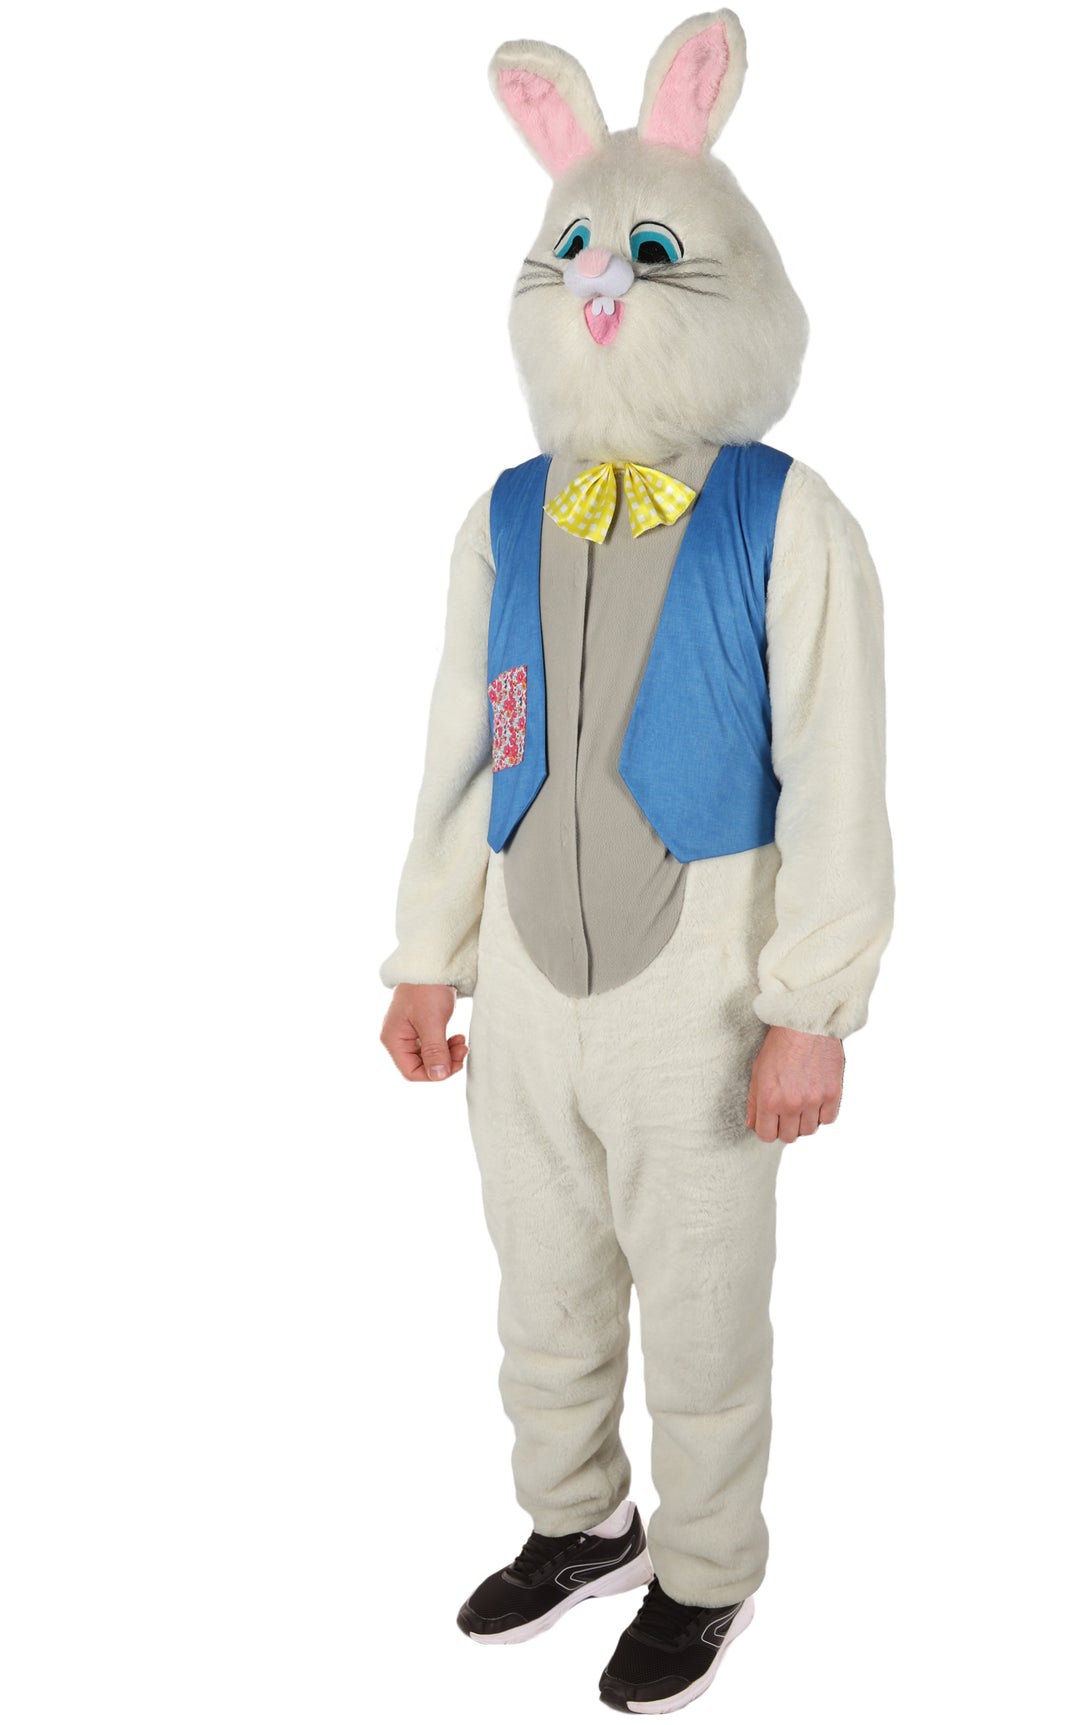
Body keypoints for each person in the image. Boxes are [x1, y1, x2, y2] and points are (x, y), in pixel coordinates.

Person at [379, 10, 894, 1712]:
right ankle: (575, 1518)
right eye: (580, 247)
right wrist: (427, 953)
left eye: (648, 251)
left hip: (706, 969)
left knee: (701, 1284)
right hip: (527, 967)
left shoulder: (784, 513)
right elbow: (462, 748)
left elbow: (836, 769)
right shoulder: (502, 514)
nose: (603, 281)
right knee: (539, 1269)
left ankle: (708, 1565)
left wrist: (810, 1003)